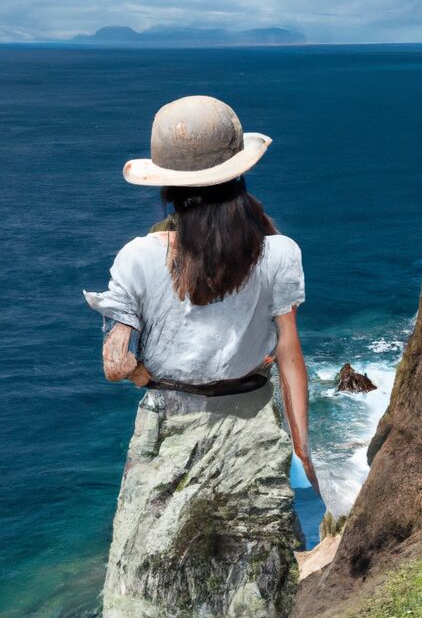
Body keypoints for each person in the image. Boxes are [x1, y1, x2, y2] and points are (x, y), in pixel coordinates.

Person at [84, 95, 318, 618]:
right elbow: (288, 353)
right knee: (254, 589)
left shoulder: (139, 256)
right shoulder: (278, 252)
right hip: (252, 430)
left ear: (166, 185)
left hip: (168, 430)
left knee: (148, 586)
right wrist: (302, 446)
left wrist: (150, 379)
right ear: (239, 176)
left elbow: (116, 362)